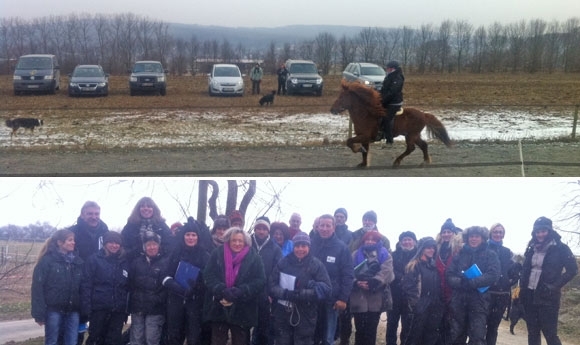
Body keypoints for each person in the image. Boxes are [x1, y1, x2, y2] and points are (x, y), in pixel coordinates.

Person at [203, 227, 266, 345]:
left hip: (243, 307)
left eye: (240, 241)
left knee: (240, 341)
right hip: (219, 305)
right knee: (217, 341)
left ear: (245, 242)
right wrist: (221, 289)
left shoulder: (254, 257)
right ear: (228, 240)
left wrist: (242, 290)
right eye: (234, 240)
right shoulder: (217, 253)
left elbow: (260, 280)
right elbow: (208, 274)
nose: (237, 243)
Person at [520, 216, 578, 345]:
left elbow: (572, 270)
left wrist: (555, 286)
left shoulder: (561, 248)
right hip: (530, 295)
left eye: (543, 231)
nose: (540, 234)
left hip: (548, 297)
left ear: (549, 231)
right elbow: (526, 269)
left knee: (550, 334)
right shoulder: (531, 247)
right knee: (533, 333)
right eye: (537, 232)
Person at [269, 232, 332, 345]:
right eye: (297, 246)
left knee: (303, 341)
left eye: (304, 246)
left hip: (306, 314)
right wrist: (285, 294)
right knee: (282, 341)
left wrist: (301, 294)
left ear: (309, 247)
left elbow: (327, 289)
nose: (300, 249)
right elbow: (272, 285)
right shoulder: (283, 262)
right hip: (282, 313)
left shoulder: (316, 265)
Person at [446, 226, 500, 345]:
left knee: (477, 336)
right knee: (457, 335)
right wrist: (460, 282)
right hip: (459, 301)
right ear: (467, 238)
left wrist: (471, 283)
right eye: (471, 236)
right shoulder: (459, 254)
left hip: (479, 302)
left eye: (477, 236)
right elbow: (449, 275)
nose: (474, 239)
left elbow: (493, 275)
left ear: (482, 238)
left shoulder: (490, 254)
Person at [162, 218, 210, 345]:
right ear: (183, 236)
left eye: (193, 235)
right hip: (175, 301)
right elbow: (165, 276)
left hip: (195, 302)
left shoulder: (205, 256)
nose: (190, 238)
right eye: (187, 234)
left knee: (194, 337)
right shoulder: (175, 253)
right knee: (174, 336)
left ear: (198, 237)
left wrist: (197, 286)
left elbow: (209, 279)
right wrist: (175, 286)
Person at [31, 229, 84, 345]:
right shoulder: (47, 261)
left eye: (73, 240)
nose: (73, 243)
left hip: (73, 310)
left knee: (72, 341)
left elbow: (83, 287)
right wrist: (38, 313)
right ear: (60, 242)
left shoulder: (78, 262)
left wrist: (84, 308)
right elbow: (37, 287)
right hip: (53, 310)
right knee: (52, 341)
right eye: (70, 240)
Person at [310, 214, 354, 345]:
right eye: (322, 225)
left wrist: (343, 298)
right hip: (311, 298)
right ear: (317, 227)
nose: (324, 228)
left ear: (333, 227)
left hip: (332, 300)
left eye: (328, 225)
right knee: (310, 336)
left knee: (327, 338)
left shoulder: (341, 248)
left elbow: (348, 274)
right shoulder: (310, 245)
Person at [81, 231, 129, 345]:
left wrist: (126, 309)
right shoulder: (94, 260)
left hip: (118, 310)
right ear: (105, 244)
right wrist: (86, 308)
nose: (114, 245)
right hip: (99, 309)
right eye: (111, 242)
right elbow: (86, 285)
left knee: (113, 340)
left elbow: (127, 287)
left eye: (117, 243)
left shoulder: (124, 262)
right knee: (96, 339)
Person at [350, 230, 394, 345]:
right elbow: (348, 271)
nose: (370, 241)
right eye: (367, 239)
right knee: (359, 330)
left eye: (373, 239)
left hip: (376, 298)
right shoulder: (355, 254)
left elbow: (387, 271)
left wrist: (373, 282)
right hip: (358, 299)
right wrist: (356, 282)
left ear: (378, 241)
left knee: (371, 331)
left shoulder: (385, 255)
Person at [128, 231, 170, 345]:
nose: (152, 247)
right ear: (144, 247)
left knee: (151, 339)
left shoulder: (166, 263)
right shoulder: (136, 263)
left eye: (154, 244)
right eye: (148, 245)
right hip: (138, 308)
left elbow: (167, 287)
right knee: (136, 339)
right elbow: (130, 284)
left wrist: (157, 299)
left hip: (155, 309)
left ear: (159, 245)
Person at [401, 237, 443, 345]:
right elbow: (408, 287)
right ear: (422, 249)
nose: (431, 250)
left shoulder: (433, 266)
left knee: (430, 336)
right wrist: (416, 305)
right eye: (428, 248)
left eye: (433, 248)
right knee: (414, 337)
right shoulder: (414, 265)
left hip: (433, 306)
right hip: (420, 307)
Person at [485, 223, 520, 345]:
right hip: (485, 294)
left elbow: (514, 272)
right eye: (495, 231)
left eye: (500, 232)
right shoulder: (484, 249)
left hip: (502, 294)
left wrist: (509, 282)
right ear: (491, 233)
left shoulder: (508, 252)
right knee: (478, 327)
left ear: (503, 234)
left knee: (493, 328)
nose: (498, 234)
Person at [250, 219, 282, 345]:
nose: (261, 231)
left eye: (264, 229)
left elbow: (277, 272)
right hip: (247, 290)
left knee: (264, 327)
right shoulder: (247, 243)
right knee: (244, 326)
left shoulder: (275, 249)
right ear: (255, 229)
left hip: (265, 293)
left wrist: (271, 292)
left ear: (268, 231)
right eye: (259, 228)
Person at [434, 218, 462, 345]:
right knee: (438, 324)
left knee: (452, 326)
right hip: (438, 292)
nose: (446, 234)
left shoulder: (459, 250)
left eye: (449, 232)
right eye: (444, 232)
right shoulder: (436, 250)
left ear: (454, 233)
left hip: (454, 292)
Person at [386, 231, 418, 345]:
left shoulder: (418, 256)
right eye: (404, 240)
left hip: (411, 297)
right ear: (400, 242)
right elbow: (390, 270)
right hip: (395, 295)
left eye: (409, 239)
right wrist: (402, 278)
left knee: (408, 325)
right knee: (391, 325)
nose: (407, 242)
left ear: (414, 241)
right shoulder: (393, 255)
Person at [121, 196, 173, 262]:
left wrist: (158, 254)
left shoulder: (162, 225)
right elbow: (124, 245)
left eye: (149, 206)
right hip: (135, 263)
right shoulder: (130, 226)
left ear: (154, 209)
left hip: (159, 264)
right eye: (142, 206)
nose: (146, 209)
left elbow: (169, 245)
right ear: (138, 209)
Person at [333, 207, 353, 345]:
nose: (339, 219)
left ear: (345, 219)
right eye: (337, 216)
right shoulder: (329, 232)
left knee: (345, 314)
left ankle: (344, 339)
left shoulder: (350, 235)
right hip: (331, 275)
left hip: (344, 273)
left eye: (342, 216)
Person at [380, 60, 405, 144]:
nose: (387, 70)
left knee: (387, 118)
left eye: (388, 68)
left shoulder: (397, 77)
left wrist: (383, 101)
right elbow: (384, 89)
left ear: (393, 69)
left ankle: (389, 140)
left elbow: (392, 92)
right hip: (387, 101)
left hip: (394, 102)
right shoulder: (390, 76)